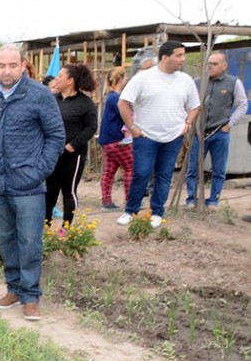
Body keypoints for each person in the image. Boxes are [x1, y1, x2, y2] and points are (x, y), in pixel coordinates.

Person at [0, 44, 65, 321]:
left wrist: (39, 170)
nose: (6, 70)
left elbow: (56, 136)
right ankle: (13, 289)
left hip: (28, 183)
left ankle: (31, 296)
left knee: (29, 241)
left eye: (12, 65)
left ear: (23, 65)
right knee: (5, 238)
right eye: (1, 65)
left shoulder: (39, 94)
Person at [117, 41, 200, 228]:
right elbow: (123, 102)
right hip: (146, 136)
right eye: (178, 55)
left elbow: (195, 106)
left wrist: (187, 124)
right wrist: (132, 127)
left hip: (173, 136)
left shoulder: (185, 80)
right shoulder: (143, 78)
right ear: (165, 57)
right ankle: (130, 210)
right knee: (142, 173)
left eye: (183, 55)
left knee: (164, 175)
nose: (183, 59)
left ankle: (157, 212)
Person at [186, 51, 248, 208]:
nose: (210, 67)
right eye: (209, 63)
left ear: (224, 66)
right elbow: (188, 103)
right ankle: (191, 199)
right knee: (193, 167)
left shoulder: (233, 82)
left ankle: (214, 200)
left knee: (219, 169)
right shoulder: (198, 82)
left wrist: (230, 124)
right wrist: (189, 123)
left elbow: (242, 104)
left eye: (214, 64)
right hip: (198, 132)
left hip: (220, 132)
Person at [44, 64, 98, 230]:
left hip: (73, 155)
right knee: (49, 191)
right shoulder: (53, 99)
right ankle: (45, 227)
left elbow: (91, 128)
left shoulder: (85, 103)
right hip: (53, 153)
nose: (56, 79)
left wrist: (72, 146)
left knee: (69, 191)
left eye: (60, 76)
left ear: (71, 80)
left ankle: (65, 228)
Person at [99, 66, 133, 210]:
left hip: (107, 140)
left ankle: (106, 201)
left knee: (109, 170)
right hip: (118, 139)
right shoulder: (117, 99)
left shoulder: (110, 96)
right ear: (121, 79)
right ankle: (131, 199)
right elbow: (127, 115)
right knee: (131, 168)